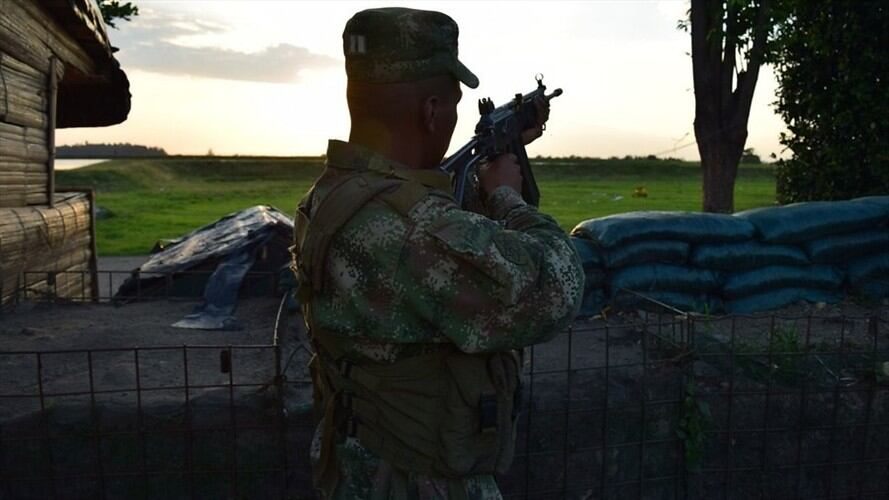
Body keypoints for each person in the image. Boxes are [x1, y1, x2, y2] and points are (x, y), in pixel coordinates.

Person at [291, 7, 583, 499]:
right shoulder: (416, 229)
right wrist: (508, 196)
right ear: (430, 111)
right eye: (450, 105)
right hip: (419, 479)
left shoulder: (331, 196)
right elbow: (555, 289)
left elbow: (431, 252)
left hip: (357, 461)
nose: (452, 119)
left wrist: (499, 157)